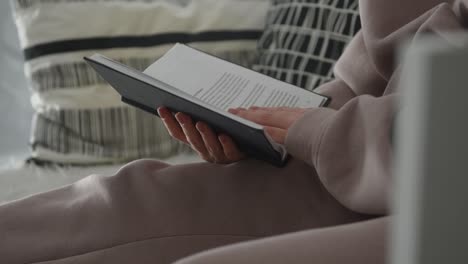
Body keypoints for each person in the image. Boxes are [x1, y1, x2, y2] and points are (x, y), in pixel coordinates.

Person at [1, 0, 467, 263]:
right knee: (126, 198)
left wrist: (324, 133)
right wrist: (273, 124)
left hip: (438, 189)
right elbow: (373, 69)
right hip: (367, 151)